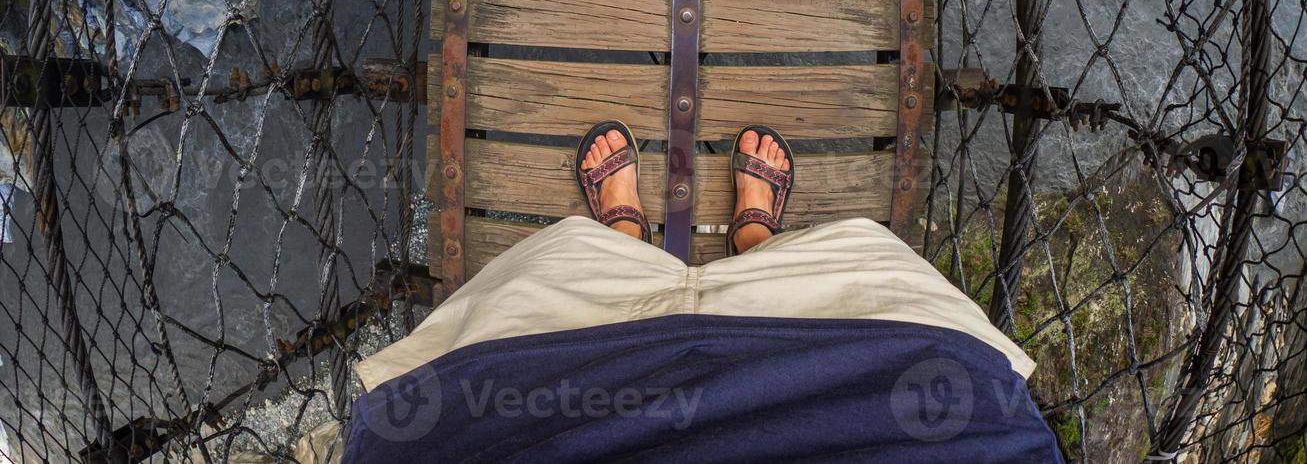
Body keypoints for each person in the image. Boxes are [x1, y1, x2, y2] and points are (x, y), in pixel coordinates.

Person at [345, 122, 1064, 462]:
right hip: (866, 390)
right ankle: (754, 244)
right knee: (863, 255)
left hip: (555, 401)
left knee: (555, 271)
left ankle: (622, 242)